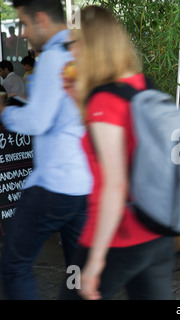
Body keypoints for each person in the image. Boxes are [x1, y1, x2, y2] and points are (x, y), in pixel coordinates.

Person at [59, 5, 175, 300]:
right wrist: (78, 99)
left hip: (114, 236)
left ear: (90, 45)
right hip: (158, 232)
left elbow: (114, 183)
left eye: (73, 42)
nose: (70, 50)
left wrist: (96, 260)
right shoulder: (141, 85)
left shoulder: (103, 101)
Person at [0, 0, 92, 300]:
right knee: (76, 272)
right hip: (81, 184)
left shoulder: (53, 58)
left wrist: (5, 112)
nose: (24, 33)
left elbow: (38, 121)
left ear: (41, 19)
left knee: (14, 265)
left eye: (24, 23)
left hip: (52, 183)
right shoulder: (80, 51)